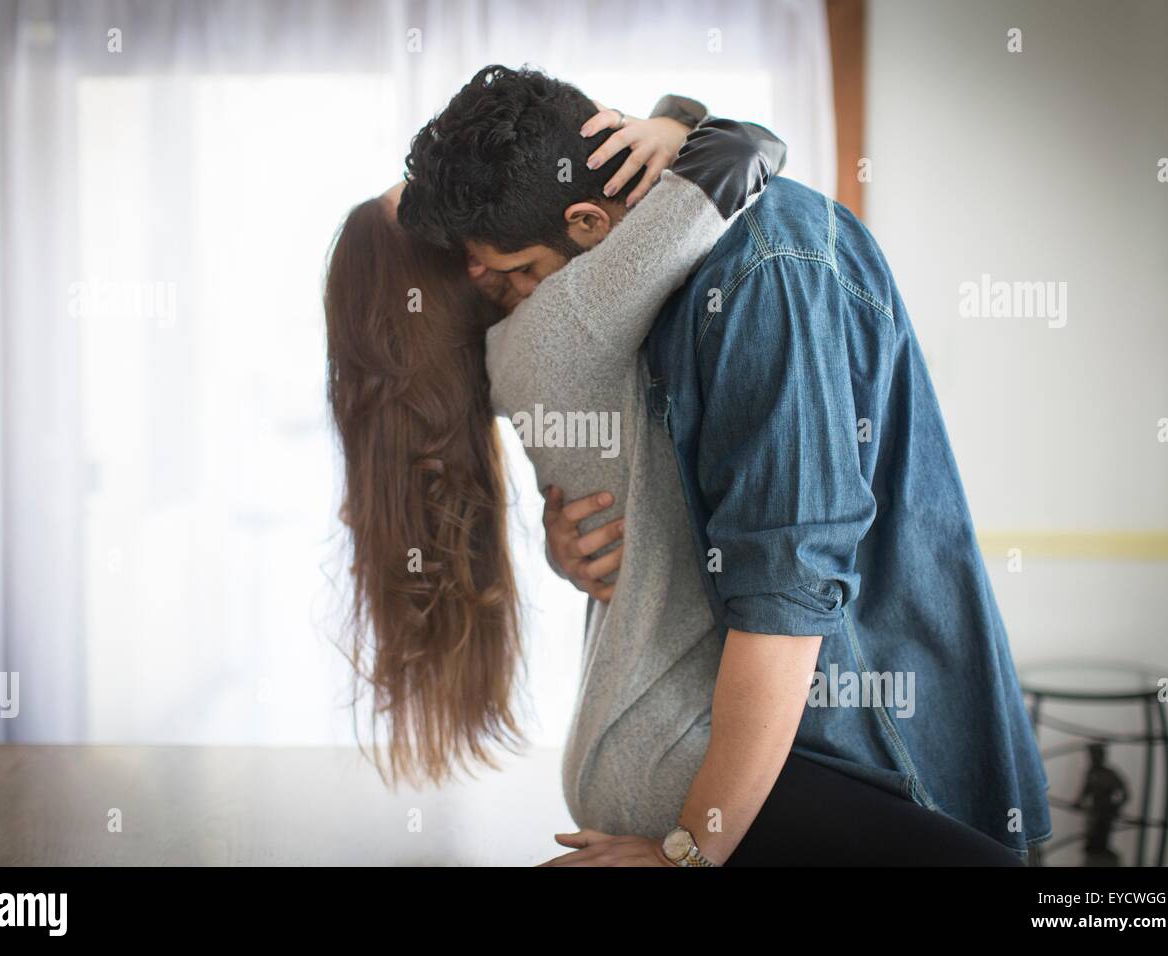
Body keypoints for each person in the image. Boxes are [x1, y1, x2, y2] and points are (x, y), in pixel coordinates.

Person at [391, 64, 1050, 866]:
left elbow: (778, 578)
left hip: (800, 759)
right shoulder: (692, 284)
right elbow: (739, 558)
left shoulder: (756, 270)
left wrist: (689, 852)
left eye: (524, 270)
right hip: (761, 774)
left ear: (591, 222)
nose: (529, 299)